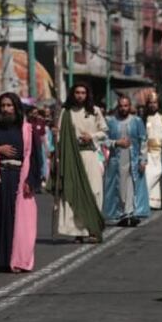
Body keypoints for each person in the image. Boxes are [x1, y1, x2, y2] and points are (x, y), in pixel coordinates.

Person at [0, 93, 41, 272]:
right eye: (3, 106)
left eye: (9, 105)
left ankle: (17, 260)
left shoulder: (27, 130)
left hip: (19, 179)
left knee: (17, 221)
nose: (6, 109)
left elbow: (35, 157)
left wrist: (31, 180)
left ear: (16, 107)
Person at [54, 83, 107, 242]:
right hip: (71, 156)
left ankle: (93, 229)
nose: (80, 96)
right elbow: (59, 137)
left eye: (83, 93)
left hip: (89, 154)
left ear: (87, 94)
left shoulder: (95, 111)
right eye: (77, 92)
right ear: (73, 94)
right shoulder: (66, 112)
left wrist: (91, 136)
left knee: (93, 190)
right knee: (74, 192)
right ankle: (79, 231)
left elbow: (104, 132)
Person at [102, 94, 148, 227]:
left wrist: (143, 160)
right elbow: (104, 140)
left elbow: (143, 140)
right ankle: (118, 213)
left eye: (126, 105)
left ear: (130, 106)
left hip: (133, 158)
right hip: (116, 159)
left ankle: (130, 213)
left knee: (131, 185)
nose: (123, 108)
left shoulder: (137, 121)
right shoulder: (110, 121)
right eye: (121, 106)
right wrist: (116, 143)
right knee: (118, 186)